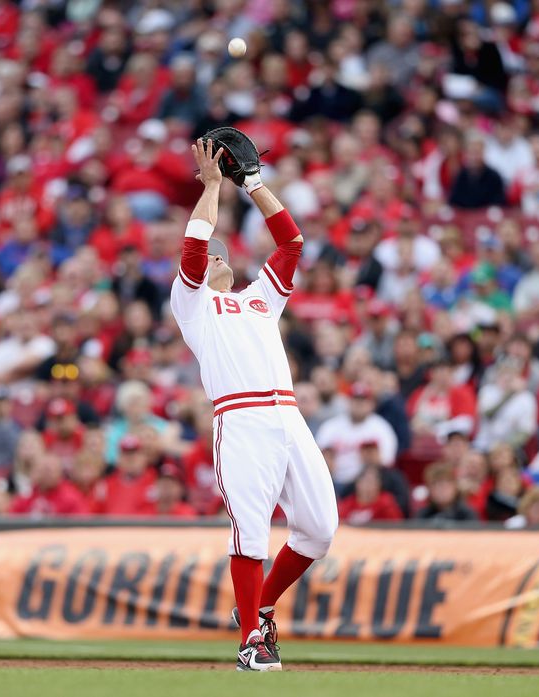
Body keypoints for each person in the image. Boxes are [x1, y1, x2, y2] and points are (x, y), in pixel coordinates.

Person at [169, 137, 338, 671]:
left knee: (319, 529)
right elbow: (196, 245)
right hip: (239, 419)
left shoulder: (259, 299)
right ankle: (250, 641)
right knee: (252, 530)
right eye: (211, 255)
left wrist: (255, 185)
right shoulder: (192, 303)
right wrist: (213, 186)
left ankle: (262, 605)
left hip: (287, 415)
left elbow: (291, 244)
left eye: (223, 254)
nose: (217, 256)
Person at [315, 380, 399, 489]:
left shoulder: (381, 428)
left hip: (366, 485)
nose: (359, 404)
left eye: (363, 400)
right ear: (348, 402)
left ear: (372, 404)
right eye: (355, 399)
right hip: (333, 482)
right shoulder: (331, 426)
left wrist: (372, 460)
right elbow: (317, 459)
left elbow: (387, 461)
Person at [337, 464, 404, 524]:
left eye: (371, 482)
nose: (368, 486)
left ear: (379, 485)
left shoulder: (386, 503)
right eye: (365, 481)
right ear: (357, 484)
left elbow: (396, 525)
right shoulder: (347, 504)